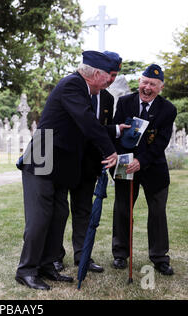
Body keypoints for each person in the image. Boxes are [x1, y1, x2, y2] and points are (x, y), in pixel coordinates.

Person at [15, 51, 118, 290]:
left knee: (59, 215)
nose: (108, 83)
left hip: (60, 165)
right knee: (39, 219)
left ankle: (48, 264)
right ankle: (26, 270)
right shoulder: (72, 84)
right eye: (106, 78)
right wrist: (109, 150)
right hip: (42, 159)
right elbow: (86, 120)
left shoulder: (84, 89)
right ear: (94, 75)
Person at [53, 51, 131, 274]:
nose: (111, 79)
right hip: (66, 160)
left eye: (115, 75)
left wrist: (116, 130)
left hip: (89, 164)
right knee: (60, 212)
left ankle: (83, 256)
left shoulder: (106, 98)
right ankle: (55, 257)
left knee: (84, 212)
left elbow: (98, 127)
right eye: (110, 74)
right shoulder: (74, 87)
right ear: (98, 72)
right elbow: (83, 124)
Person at [111, 64, 177, 275]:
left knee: (157, 213)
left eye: (153, 85)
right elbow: (117, 133)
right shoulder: (124, 102)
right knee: (122, 209)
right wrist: (122, 158)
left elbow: (160, 143)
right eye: (145, 82)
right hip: (125, 164)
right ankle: (120, 254)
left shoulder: (168, 110)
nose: (147, 88)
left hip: (153, 168)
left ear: (161, 87)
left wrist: (141, 160)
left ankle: (159, 257)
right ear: (139, 82)